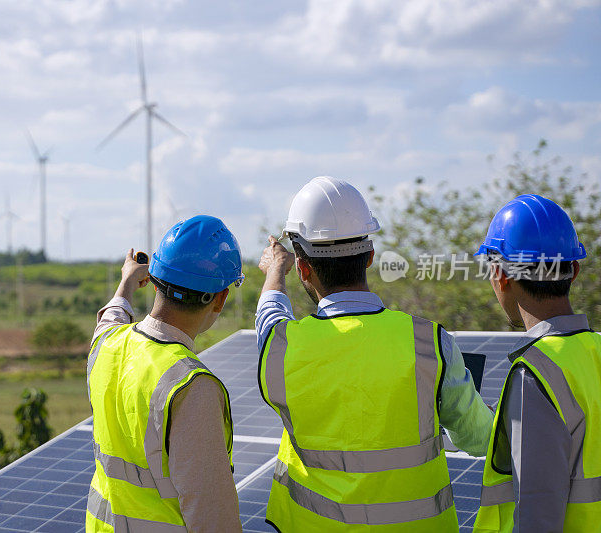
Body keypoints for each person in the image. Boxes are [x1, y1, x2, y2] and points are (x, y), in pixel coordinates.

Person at [256, 176, 493, 531]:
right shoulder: (429, 342)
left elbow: (269, 318)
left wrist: (276, 269)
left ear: (303, 268)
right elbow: (479, 438)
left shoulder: (283, 348)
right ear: (369, 257)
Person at [85, 214, 245, 532]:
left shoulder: (107, 344)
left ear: (156, 280)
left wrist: (128, 280)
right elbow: (212, 516)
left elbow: (112, 315)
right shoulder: (190, 386)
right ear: (221, 298)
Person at [472, 194, 599, 532]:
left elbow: (536, 518)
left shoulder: (536, 375)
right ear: (573, 270)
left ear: (500, 275)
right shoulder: (596, 352)